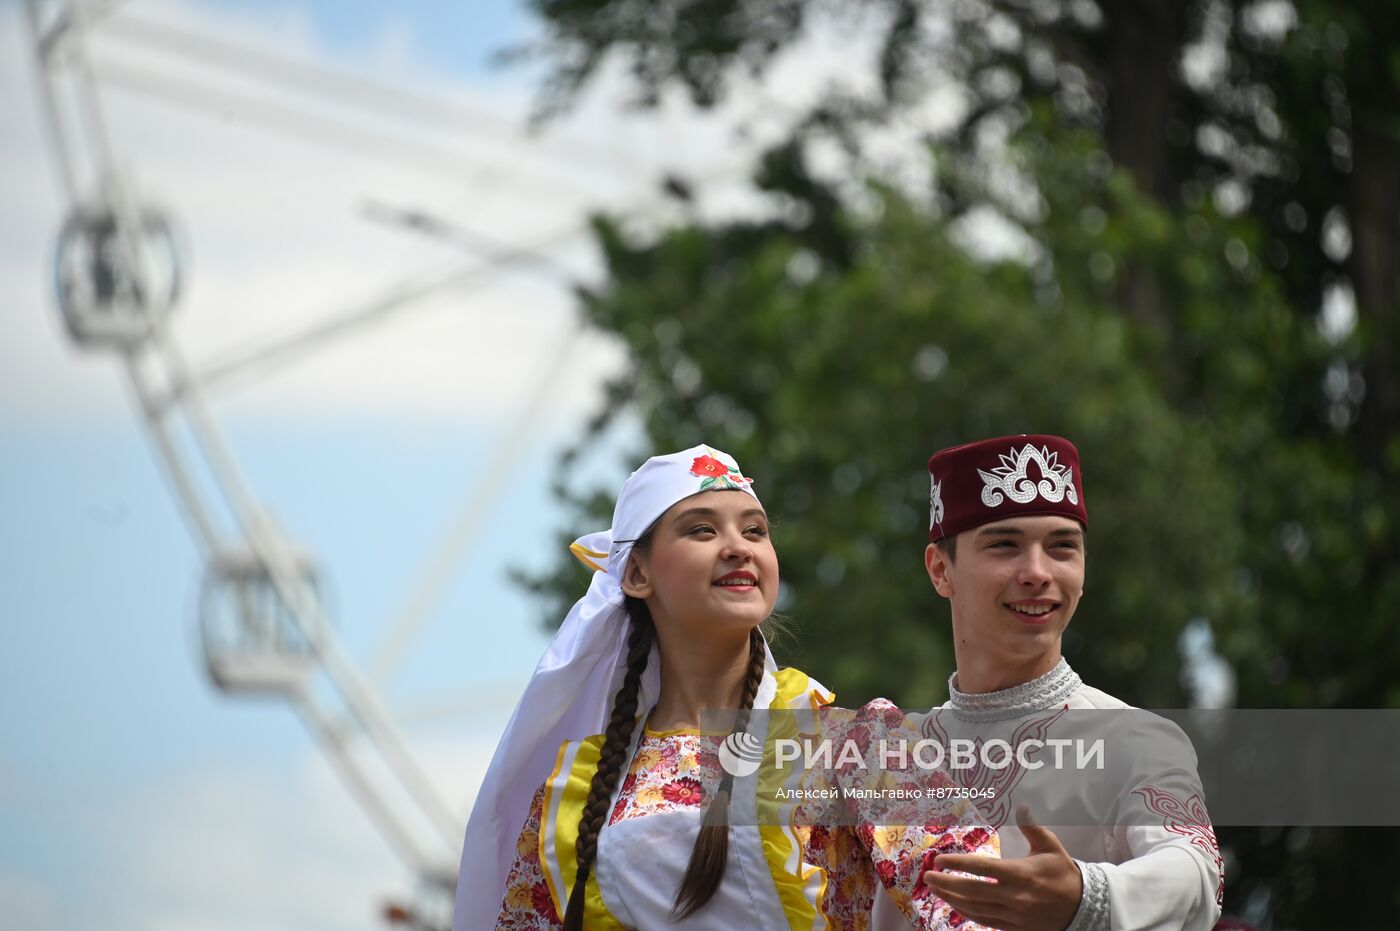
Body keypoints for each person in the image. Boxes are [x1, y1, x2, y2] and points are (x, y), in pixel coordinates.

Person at [452, 444, 999, 930]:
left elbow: (972, 902)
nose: (739, 547)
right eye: (702, 529)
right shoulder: (577, 788)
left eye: (755, 530)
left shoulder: (848, 743)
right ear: (637, 575)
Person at [893, 434, 1224, 931]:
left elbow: (1196, 874)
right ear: (941, 570)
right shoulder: (892, 756)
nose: (1037, 572)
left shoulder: (1133, 739)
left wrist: (1085, 896)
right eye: (1005, 545)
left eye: (1062, 547)